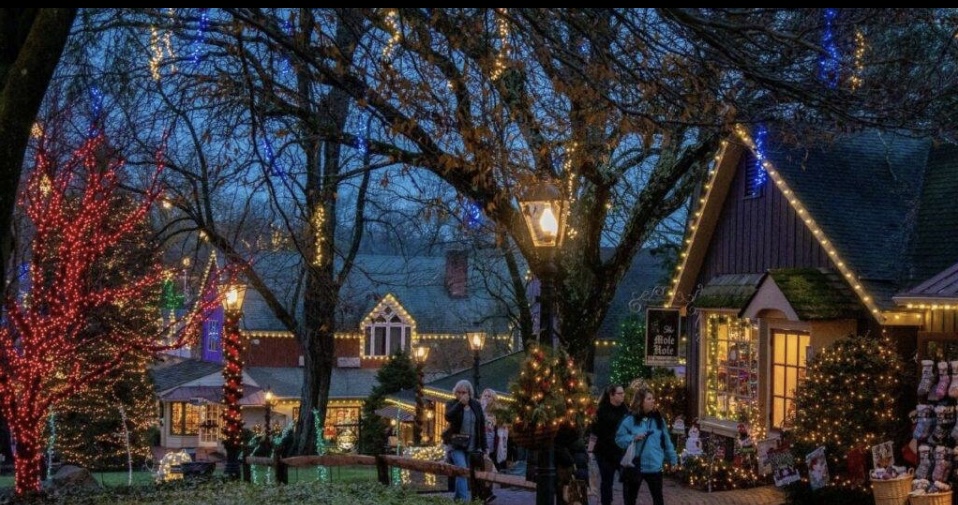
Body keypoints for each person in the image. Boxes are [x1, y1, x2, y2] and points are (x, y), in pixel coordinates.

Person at [615, 387, 678, 505]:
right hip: (636, 465)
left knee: (658, 499)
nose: (653, 401)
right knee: (630, 499)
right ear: (641, 401)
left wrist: (673, 459)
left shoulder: (659, 420)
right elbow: (619, 439)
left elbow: (667, 441)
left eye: (653, 398)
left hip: (654, 465)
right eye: (649, 399)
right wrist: (632, 438)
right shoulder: (630, 420)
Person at [443, 379, 487, 502]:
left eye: (464, 392)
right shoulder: (452, 403)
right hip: (456, 445)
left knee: (463, 473)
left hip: (472, 445)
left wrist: (485, 446)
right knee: (462, 469)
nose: (461, 394)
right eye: (459, 392)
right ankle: (464, 500)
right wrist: (460, 404)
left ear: (469, 393)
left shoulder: (476, 405)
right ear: (455, 392)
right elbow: (448, 417)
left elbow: (481, 426)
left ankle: (457, 499)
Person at [588, 384, 629, 505]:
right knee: (607, 481)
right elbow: (594, 432)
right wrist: (590, 451)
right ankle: (606, 502)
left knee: (627, 478)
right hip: (604, 452)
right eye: (620, 394)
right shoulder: (601, 410)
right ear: (611, 395)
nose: (623, 396)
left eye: (623, 393)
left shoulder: (625, 410)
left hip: (620, 452)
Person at [480, 388, 508, 471]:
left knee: (491, 463)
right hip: (481, 439)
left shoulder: (497, 411)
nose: (486, 398)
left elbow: (503, 425)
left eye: (489, 396)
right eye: (485, 395)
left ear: (493, 398)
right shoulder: (479, 408)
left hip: (492, 441)